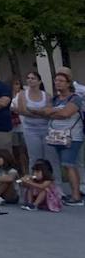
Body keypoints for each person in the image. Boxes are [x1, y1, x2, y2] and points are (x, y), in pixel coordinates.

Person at [43, 71, 84, 205]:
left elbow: (66, 113)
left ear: (68, 84)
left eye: (61, 81)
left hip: (72, 137)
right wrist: (56, 112)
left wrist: (53, 112)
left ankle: (76, 196)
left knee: (69, 165)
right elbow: (45, 112)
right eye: (56, 81)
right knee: (66, 165)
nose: (57, 83)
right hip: (57, 136)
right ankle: (74, 193)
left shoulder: (75, 98)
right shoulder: (55, 99)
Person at [14, 70, 51, 171]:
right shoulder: (22, 95)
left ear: (39, 81)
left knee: (49, 157)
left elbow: (48, 112)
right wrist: (40, 112)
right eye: (28, 78)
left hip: (46, 129)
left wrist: (33, 111)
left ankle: (51, 181)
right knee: (34, 157)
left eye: (33, 78)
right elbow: (23, 111)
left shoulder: (46, 95)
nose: (30, 80)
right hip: (30, 129)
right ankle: (34, 180)